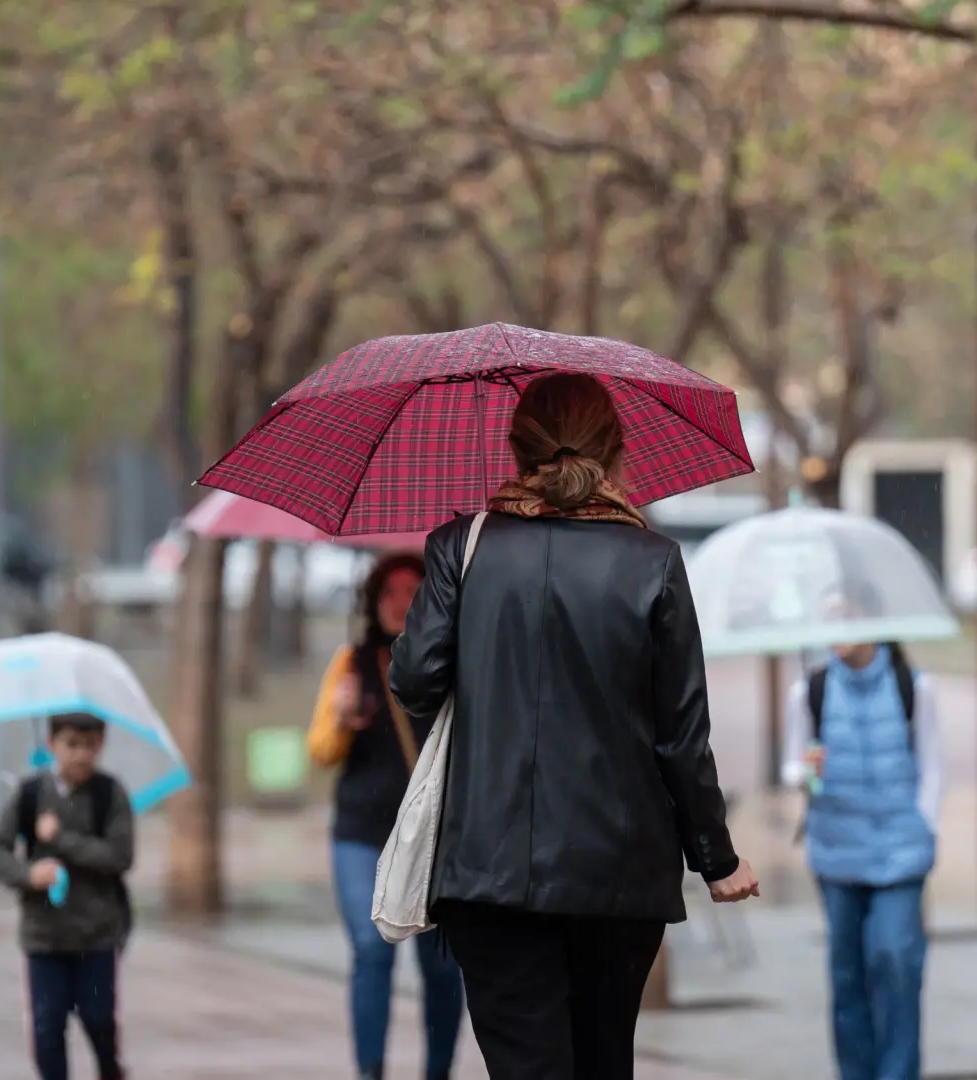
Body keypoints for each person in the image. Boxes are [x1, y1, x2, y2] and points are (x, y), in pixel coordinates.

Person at [390, 371, 760, 1080]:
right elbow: (681, 735)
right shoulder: (653, 561)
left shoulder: (460, 548)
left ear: (515, 449)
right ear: (618, 450)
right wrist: (715, 858)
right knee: (602, 1062)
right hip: (618, 873)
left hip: (488, 871)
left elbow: (413, 683)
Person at [305, 551, 465, 1080]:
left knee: (443, 966)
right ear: (373, 602)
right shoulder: (351, 662)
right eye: (390, 593)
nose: (401, 603)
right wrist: (341, 718)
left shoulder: (454, 660)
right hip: (362, 836)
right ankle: (370, 1072)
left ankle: (437, 1071)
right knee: (372, 954)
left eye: (413, 591)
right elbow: (321, 751)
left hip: (435, 840)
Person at [782, 623, 942, 1080]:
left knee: (895, 962)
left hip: (902, 855)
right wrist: (806, 771)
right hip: (837, 855)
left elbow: (933, 765)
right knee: (847, 976)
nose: (836, 628)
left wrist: (925, 826)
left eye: (847, 615)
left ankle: (898, 1073)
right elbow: (794, 770)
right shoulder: (809, 691)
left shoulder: (914, 686)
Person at [0, 712, 135, 1080]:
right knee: (47, 1030)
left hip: (96, 935)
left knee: (99, 1020)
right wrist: (28, 874)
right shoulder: (30, 795)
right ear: (52, 745)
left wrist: (60, 839)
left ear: (101, 745)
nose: (81, 755)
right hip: (44, 937)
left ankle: (110, 1070)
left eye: (90, 745)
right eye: (71, 745)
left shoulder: (108, 794)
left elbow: (119, 856)